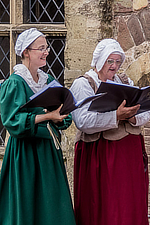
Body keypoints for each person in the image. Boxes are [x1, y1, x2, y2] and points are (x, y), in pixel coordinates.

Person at [0, 28, 76, 225]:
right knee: (28, 202)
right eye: (40, 48)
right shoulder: (15, 83)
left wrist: (59, 116)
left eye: (46, 48)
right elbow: (12, 120)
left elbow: (63, 113)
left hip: (47, 151)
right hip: (25, 153)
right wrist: (48, 115)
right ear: (26, 52)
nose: (46, 52)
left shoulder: (48, 81)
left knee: (51, 203)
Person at [70, 38, 149, 225]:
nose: (114, 66)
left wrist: (131, 117)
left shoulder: (125, 81)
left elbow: (145, 111)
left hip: (128, 156)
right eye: (110, 61)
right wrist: (115, 116)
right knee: (105, 204)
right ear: (99, 61)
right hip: (100, 155)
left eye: (117, 61)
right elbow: (82, 121)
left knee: (129, 202)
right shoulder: (84, 84)